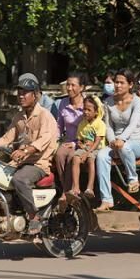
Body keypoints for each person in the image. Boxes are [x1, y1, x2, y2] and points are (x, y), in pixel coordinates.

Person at [0, 74, 58, 235]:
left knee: (19, 179)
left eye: (25, 92)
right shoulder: (19, 117)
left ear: (35, 94)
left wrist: (26, 150)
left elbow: (44, 140)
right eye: (19, 92)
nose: (21, 95)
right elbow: (7, 138)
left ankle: (34, 217)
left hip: (38, 164)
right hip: (19, 162)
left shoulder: (45, 116)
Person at [96, 69, 140, 212]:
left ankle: (133, 179)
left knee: (125, 147)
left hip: (136, 143)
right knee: (101, 156)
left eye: (121, 82)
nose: (117, 85)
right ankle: (106, 199)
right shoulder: (108, 102)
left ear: (130, 85)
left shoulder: (137, 101)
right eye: (116, 82)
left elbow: (133, 125)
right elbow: (108, 125)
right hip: (116, 144)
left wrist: (122, 139)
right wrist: (112, 140)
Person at [54, 72, 86, 206]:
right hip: (68, 141)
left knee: (72, 157)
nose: (69, 88)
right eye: (68, 84)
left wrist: (76, 143)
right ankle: (66, 190)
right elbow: (59, 125)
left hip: (83, 142)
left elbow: (91, 127)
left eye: (73, 85)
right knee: (59, 154)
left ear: (82, 87)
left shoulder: (88, 103)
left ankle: (65, 193)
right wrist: (54, 142)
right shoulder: (63, 102)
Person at [67, 96, 106, 201]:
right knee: (75, 158)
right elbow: (79, 139)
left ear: (96, 112)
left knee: (90, 160)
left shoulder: (100, 124)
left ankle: (90, 188)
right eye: (84, 109)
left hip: (95, 148)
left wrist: (87, 152)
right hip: (85, 147)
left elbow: (97, 141)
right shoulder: (82, 124)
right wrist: (81, 145)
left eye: (89, 110)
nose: (86, 112)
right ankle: (75, 187)